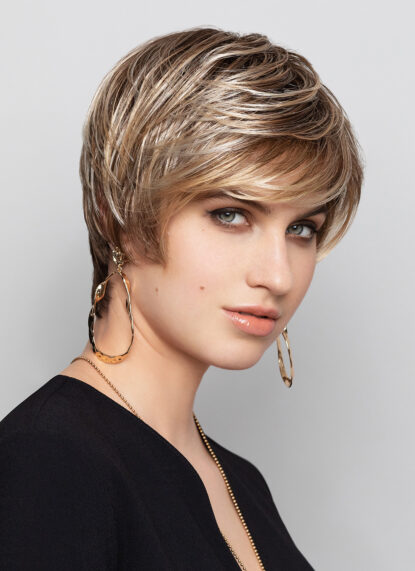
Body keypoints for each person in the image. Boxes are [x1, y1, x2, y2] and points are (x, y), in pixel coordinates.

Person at [0, 26, 363, 570]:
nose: (279, 275)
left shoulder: (241, 481)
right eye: (230, 214)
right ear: (117, 214)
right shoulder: (47, 462)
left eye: (302, 228)